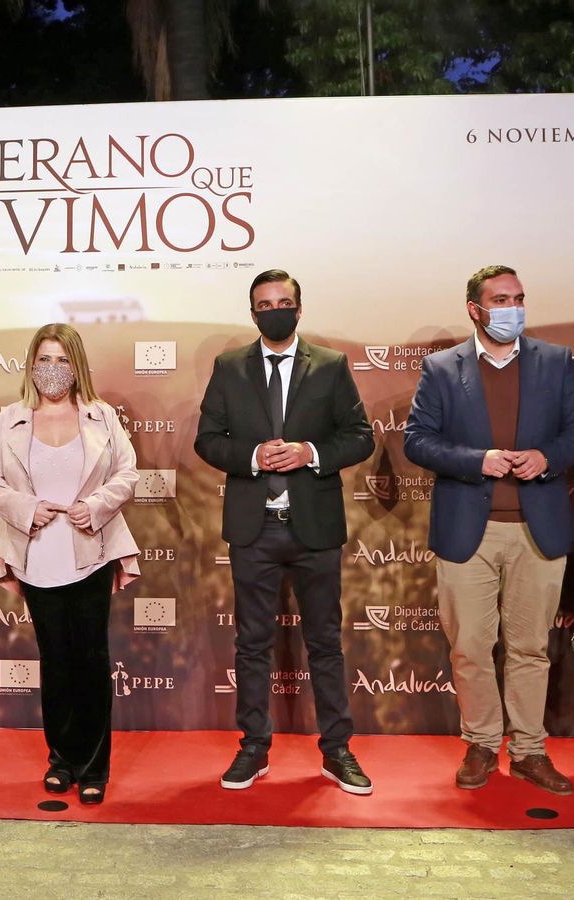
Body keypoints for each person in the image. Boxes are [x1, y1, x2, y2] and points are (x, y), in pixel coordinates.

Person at [404, 265, 574, 796]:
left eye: (519, 298)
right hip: (469, 530)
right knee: (470, 647)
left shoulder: (555, 361)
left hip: (539, 530)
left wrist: (546, 457)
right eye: (501, 300)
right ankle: (482, 743)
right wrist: (477, 460)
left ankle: (530, 750)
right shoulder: (442, 368)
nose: (513, 308)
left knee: (531, 648)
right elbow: (417, 440)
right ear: (475, 309)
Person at [193, 269, 376, 795]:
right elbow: (208, 440)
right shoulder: (230, 367)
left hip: (315, 526)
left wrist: (310, 453)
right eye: (265, 304)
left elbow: (360, 437)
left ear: (299, 307)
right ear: (253, 313)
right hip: (254, 529)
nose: (275, 310)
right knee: (252, 644)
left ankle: (337, 751)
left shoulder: (331, 365)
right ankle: (253, 748)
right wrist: (252, 456)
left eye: (284, 302)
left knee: (325, 643)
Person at [0, 323, 141, 805]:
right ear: (31, 365)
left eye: (63, 360)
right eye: (44, 360)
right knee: (55, 661)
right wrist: (27, 509)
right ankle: (61, 759)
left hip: (91, 553)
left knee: (91, 658)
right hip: (35, 557)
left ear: (77, 366)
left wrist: (97, 505)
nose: (53, 369)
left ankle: (93, 766)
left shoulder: (102, 416)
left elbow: (127, 472)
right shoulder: (9, 419)